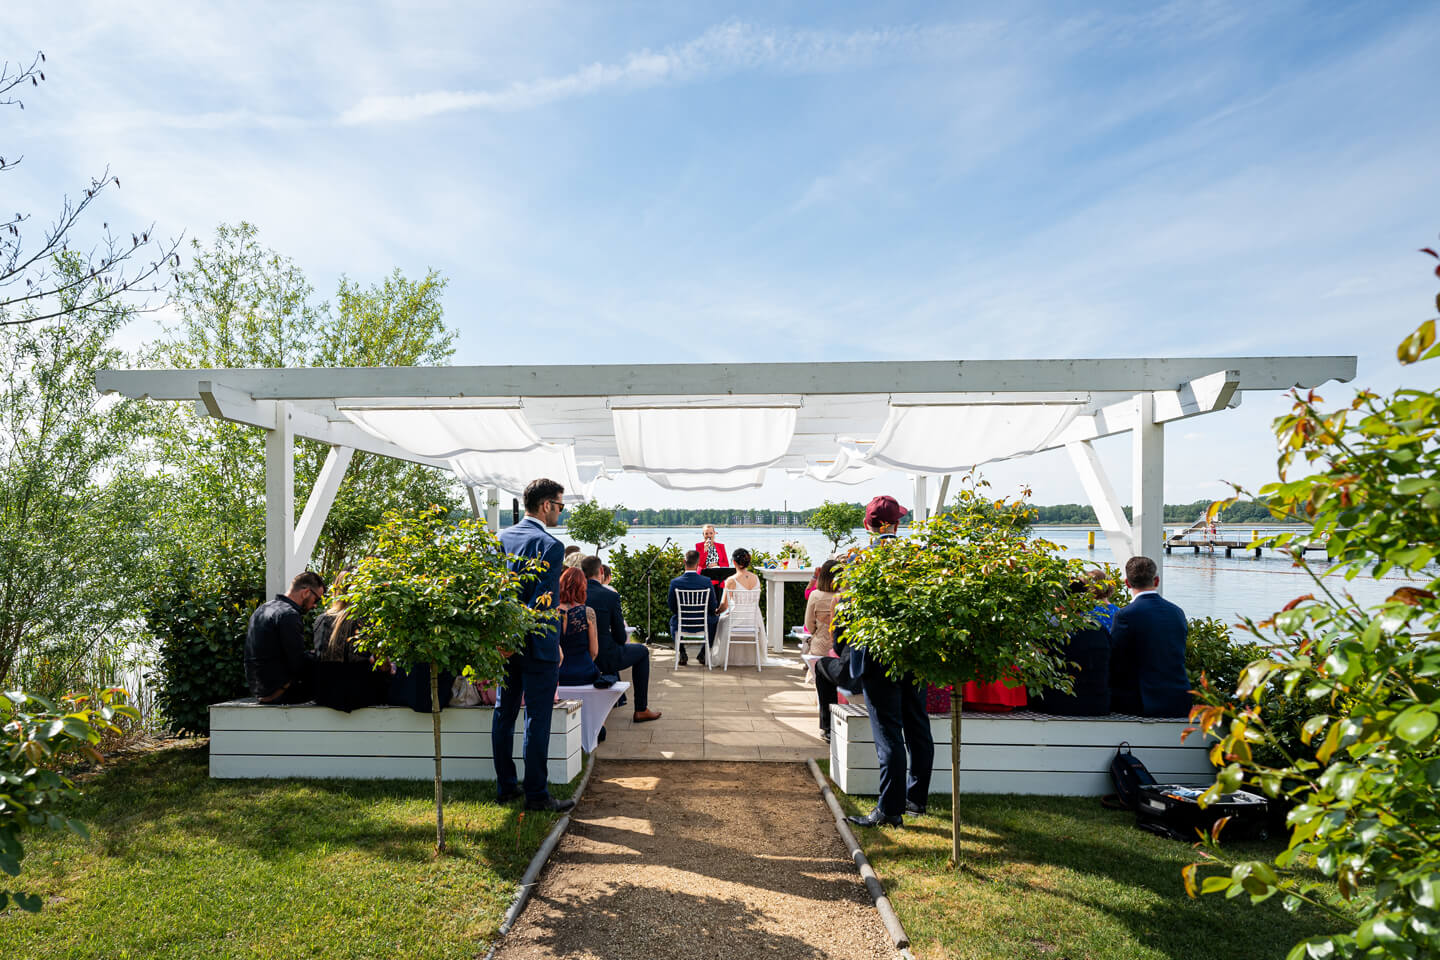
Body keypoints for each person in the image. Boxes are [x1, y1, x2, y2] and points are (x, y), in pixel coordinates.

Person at [846, 495, 935, 829]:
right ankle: (916, 799)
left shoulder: (859, 559)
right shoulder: (917, 556)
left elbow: (852, 608)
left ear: (869, 525)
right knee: (917, 727)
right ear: (897, 522)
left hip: (877, 653)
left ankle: (889, 809)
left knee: (888, 736)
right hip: (913, 653)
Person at [493, 477, 575, 813]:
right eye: (559, 505)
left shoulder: (500, 538)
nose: (560, 511)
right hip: (537, 645)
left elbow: (493, 593)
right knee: (537, 718)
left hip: (503, 645)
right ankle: (537, 795)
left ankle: (505, 787)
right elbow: (543, 604)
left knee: (504, 714)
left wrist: (503, 638)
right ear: (545, 505)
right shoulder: (551, 546)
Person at [1109, 556, 1192, 717]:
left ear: (1127, 583)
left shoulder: (1125, 615)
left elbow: (1115, 659)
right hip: (1180, 699)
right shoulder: (1176, 612)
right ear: (1156, 581)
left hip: (1141, 702)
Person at [582, 554, 660, 722]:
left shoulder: (573, 594)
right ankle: (641, 709)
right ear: (601, 571)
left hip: (580, 655)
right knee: (642, 651)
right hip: (604, 656)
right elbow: (619, 633)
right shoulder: (610, 596)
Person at [1029, 571, 1117, 717]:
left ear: (1061, 603)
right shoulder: (1099, 629)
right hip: (1099, 704)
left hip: (1059, 704)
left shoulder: (1054, 631)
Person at [311, 571, 388, 711]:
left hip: (325, 693)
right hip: (360, 694)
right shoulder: (367, 619)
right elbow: (382, 665)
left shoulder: (321, 619)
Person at [245, 570, 324, 704]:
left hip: (259, 691)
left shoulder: (262, 609)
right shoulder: (289, 615)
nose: (315, 605)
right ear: (305, 592)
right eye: (316, 599)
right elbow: (298, 664)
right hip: (280, 693)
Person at [669, 549, 725, 665]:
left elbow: (672, 605)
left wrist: (681, 613)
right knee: (715, 620)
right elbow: (713, 605)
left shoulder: (675, 582)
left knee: (672, 622)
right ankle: (703, 653)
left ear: (684, 562)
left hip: (682, 621)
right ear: (698, 563)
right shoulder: (706, 581)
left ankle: (682, 652)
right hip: (703, 622)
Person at [556, 567, 601, 685]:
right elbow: (594, 652)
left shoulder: (551, 612)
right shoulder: (588, 612)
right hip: (583, 672)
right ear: (582, 587)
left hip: (557, 673)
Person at [802, 559, 840, 658]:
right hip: (840, 649)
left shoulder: (815, 595)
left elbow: (809, 625)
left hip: (819, 648)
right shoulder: (846, 596)